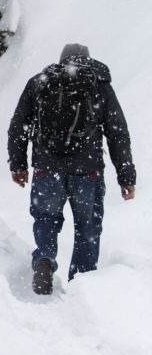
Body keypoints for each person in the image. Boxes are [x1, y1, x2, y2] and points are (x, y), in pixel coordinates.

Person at [7, 44, 136, 295]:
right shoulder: (99, 86)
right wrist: (126, 177)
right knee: (87, 227)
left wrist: (18, 165)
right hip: (87, 171)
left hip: (46, 169)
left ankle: (44, 258)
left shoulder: (40, 82)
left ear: (61, 60)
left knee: (46, 218)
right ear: (88, 60)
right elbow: (118, 134)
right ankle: (82, 283)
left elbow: (18, 126)